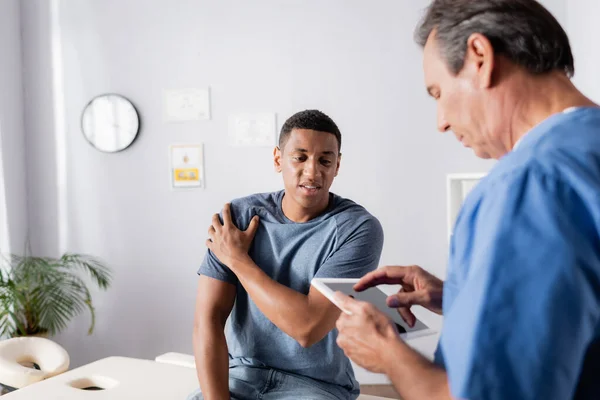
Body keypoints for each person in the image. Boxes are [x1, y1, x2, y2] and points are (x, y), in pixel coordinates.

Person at [334, 1, 600, 399]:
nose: (440, 121)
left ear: (479, 56)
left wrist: (387, 353)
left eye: (437, 92)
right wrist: (464, 296)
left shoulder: (527, 184)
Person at [188, 109, 384, 400]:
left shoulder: (357, 229)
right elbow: (209, 319)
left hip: (316, 386)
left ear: (337, 165)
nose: (313, 171)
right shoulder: (238, 217)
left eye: (325, 161)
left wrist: (238, 260)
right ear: (278, 159)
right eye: (300, 157)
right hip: (241, 377)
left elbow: (307, 328)